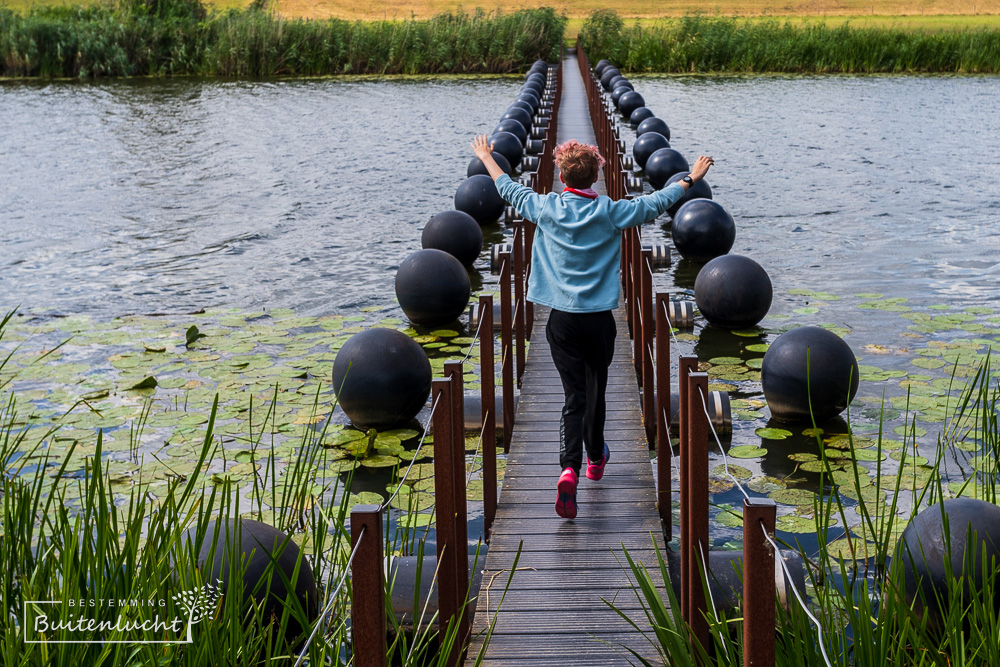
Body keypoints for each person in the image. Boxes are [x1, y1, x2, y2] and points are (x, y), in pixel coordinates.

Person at [470, 134, 714, 519]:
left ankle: (568, 468)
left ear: (562, 175)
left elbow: (507, 188)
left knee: (574, 397)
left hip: (562, 321)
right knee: (596, 392)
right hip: (599, 321)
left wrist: (486, 155)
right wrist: (690, 179)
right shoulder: (610, 211)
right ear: (596, 175)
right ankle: (596, 458)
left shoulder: (546, 207)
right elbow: (655, 203)